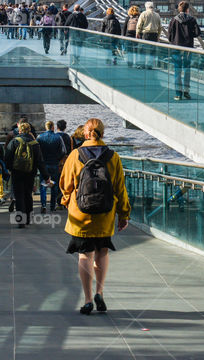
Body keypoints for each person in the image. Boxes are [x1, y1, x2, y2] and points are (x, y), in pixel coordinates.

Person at [59, 118, 130, 315]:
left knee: (85, 254)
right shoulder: (112, 156)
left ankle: (88, 299)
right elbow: (120, 188)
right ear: (102, 133)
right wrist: (124, 213)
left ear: (85, 133)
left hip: (81, 214)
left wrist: (67, 201)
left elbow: (65, 185)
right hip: (105, 213)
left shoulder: (75, 155)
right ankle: (100, 292)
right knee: (102, 252)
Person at [4, 121, 52, 228]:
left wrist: (9, 169)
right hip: (30, 173)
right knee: (28, 195)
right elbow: (40, 162)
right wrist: (46, 176)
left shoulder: (14, 141)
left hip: (17, 173)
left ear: (19, 130)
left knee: (19, 196)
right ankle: (28, 219)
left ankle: (21, 221)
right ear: (29, 131)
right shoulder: (35, 144)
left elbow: (7, 157)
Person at [167, 1, 201, 100]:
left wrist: (174, 41)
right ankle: (186, 92)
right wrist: (190, 35)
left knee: (177, 71)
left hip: (176, 48)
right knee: (187, 70)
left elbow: (169, 36)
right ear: (187, 10)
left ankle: (178, 94)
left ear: (179, 9)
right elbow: (198, 32)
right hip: (188, 48)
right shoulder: (192, 19)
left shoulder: (174, 20)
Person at [36, 121, 66, 213]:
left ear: (46, 127)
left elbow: (36, 150)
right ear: (53, 127)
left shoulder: (40, 137)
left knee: (43, 185)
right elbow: (63, 151)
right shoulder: (58, 137)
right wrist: (58, 158)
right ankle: (52, 206)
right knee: (54, 185)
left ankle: (43, 205)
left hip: (44, 164)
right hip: (54, 164)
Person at [135, 1, 162, 68]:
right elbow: (160, 27)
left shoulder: (143, 14)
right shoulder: (157, 15)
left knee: (143, 50)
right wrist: (158, 36)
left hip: (145, 34)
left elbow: (139, 25)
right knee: (152, 51)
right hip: (154, 34)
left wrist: (137, 33)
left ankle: (142, 65)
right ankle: (150, 65)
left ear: (146, 7)